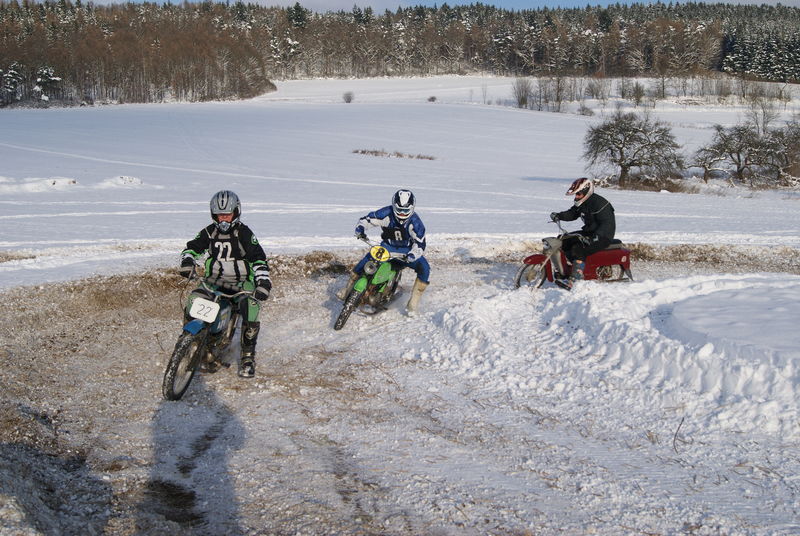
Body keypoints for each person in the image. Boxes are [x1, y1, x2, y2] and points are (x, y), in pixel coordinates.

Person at [178, 190, 271, 378]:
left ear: (236, 212)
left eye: (227, 215)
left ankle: (247, 356)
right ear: (213, 215)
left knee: (251, 307)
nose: (224, 220)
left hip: (241, 283)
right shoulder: (209, 232)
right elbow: (192, 248)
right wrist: (187, 262)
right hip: (213, 281)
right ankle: (189, 341)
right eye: (220, 215)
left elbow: (258, 259)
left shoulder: (244, 233)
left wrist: (263, 281)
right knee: (193, 300)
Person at [337, 189, 430, 313]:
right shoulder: (386, 213)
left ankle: (413, 303)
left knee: (425, 268)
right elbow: (367, 220)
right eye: (399, 209)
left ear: (412, 208)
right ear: (394, 205)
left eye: (405, 210)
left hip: (406, 252)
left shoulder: (416, 223)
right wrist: (360, 228)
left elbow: (420, 244)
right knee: (366, 261)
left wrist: (413, 254)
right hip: (387, 247)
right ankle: (347, 289)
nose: (402, 213)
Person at [549, 177, 616, 291]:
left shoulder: (600, 204)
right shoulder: (582, 202)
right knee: (563, 240)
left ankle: (576, 280)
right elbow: (572, 213)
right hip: (589, 232)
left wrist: (595, 237)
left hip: (603, 236)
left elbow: (607, 224)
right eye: (576, 194)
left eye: (578, 194)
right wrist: (559, 216)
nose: (576, 197)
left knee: (578, 249)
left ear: (586, 192)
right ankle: (568, 270)